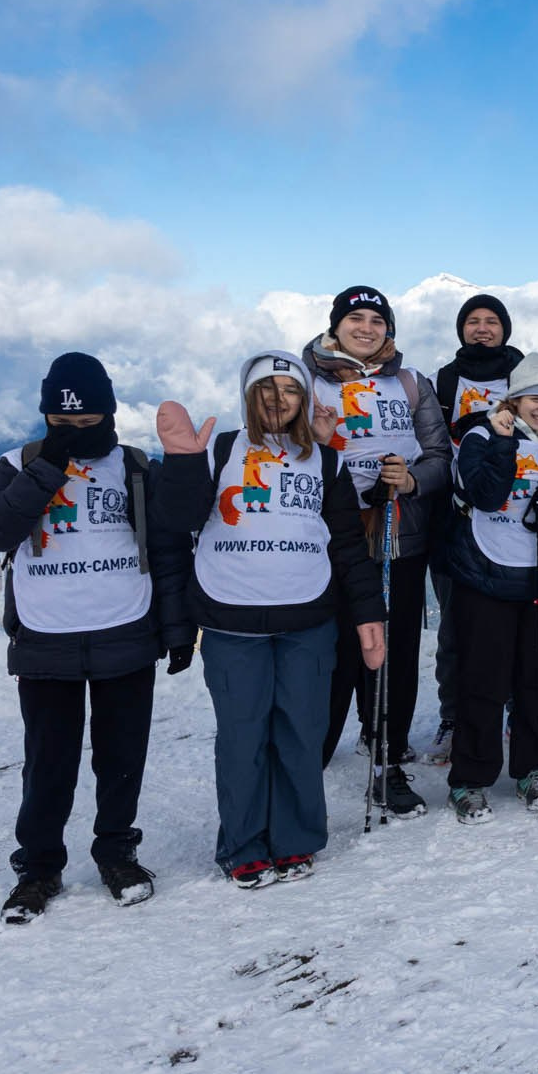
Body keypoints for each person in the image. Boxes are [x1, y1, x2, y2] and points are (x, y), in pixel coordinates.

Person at [0, 353, 194, 924]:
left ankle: (117, 852)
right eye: (60, 423)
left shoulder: (137, 468)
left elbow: (168, 551)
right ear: (46, 417)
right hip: (47, 639)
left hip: (126, 629)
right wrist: (48, 469)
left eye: (86, 420)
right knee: (48, 760)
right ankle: (39, 866)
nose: (73, 432)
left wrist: (177, 629)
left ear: (110, 413)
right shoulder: (18, 464)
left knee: (122, 757)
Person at [155, 353, 384, 888]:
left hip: (309, 618)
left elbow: (348, 545)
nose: (278, 400)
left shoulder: (326, 461)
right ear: (247, 395)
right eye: (266, 389)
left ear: (305, 399)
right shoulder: (219, 450)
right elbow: (176, 522)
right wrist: (184, 465)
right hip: (233, 620)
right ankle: (243, 845)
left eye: (290, 390)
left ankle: (295, 839)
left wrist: (369, 614)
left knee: (302, 733)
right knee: (242, 736)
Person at [300, 286, 449, 822]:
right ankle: (312, 748)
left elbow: (439, 455)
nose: (367, 328)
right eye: (355, 318)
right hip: (324, 536)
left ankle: (387, 757)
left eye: (377, 320)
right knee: (331, 647)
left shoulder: (410, 382)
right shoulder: (304, 378)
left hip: (396, 531)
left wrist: (410, 479)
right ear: (335, 325)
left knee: (395, 646)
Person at [442, 354, 538, 823]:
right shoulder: (481, 435)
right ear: (515, 398)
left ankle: (534, 768)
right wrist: (503, 442)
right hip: (485, 573)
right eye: (535, 398)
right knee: (483, 680)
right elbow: (484, 494)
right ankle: (470, 779)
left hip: (535, 573)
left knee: (536, 681)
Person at [425, 293, 523, 765]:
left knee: (509, 626)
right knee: (454, 625)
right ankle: (453, 715)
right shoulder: (445, 379)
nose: (482, 329)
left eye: (491, 322)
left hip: (512, 519)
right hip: (457, 517)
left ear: (505, 329)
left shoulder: (523, 372)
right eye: (472, 322)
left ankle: (505, 710)